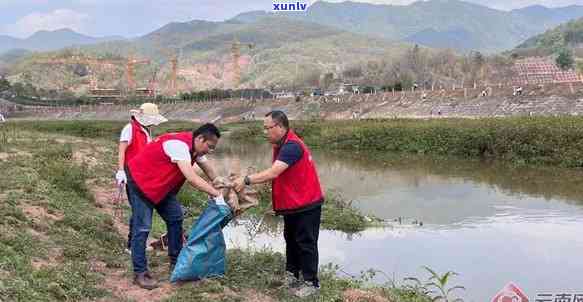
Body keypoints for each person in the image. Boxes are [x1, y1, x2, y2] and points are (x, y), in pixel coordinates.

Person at [233, 110, 324, 298]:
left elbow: (273, 173)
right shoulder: (280, 145)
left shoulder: (292, 146)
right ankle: (292, 274)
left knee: (306, 242)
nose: (265, 132)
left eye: (268, 128)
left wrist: (247, 180)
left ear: (280, 127)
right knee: (290, 240)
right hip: (293, 204)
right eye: (264, 128)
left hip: (306, 204)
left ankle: (311, 282)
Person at [125, 123, 223, 290]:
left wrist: (220, 182)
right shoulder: (179, 146)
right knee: (142, 228)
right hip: (140, 182)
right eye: (209, 146)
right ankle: (140, 273)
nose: (209, 150)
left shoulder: (195, 148)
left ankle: (176, 261)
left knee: (175, 217)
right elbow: (191, 178)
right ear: (200, 139)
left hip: (160, 186)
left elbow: (208, 170)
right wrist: (216, 194)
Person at [116, 103, 167, 253]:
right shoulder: (130, 129)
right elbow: (122, 151)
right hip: (132, 175)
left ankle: (134, 244)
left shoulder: (145, 130)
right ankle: (133, 246)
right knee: (139, 211)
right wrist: (121, 171)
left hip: (143, 176)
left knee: (138, 210)